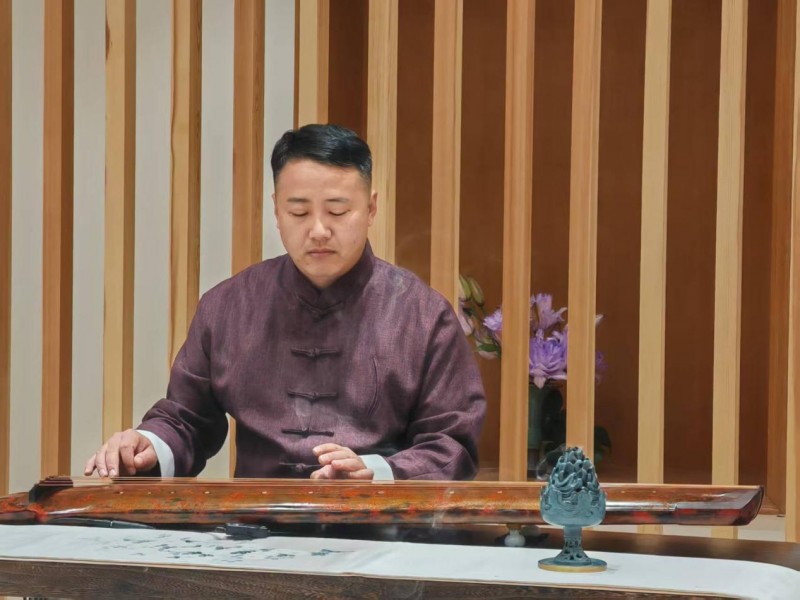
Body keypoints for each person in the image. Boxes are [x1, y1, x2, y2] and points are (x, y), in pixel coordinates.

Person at [85, 124, 486, 481]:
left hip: (379, 528)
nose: (318, 230)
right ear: (276, 210)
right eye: (299, 211)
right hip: (254, 525)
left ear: (370, 209)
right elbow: (187, 418)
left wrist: (377, 473)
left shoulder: (422, 314)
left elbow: (452, 444)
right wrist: (150, 445)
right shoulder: (229, 306)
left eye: (338, 211)